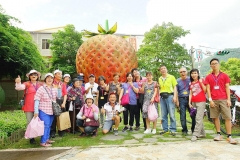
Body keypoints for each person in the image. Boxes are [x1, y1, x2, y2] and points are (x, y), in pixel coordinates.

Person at [205, 58, 237, 144]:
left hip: (224, 99)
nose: (214, 65)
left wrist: (229, 99)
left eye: (216, 63)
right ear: (210, 66)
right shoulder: (208, 77)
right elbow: (208, 89)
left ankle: (229, 136)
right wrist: (210, 100)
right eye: (212, 64)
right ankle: (218, 134)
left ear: (219, 64)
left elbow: (227, 87)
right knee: (215, 117)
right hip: (213, 100)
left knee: (228, 117)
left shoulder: (224, 75)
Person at [15, 69, 42, 144]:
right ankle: (31, 138)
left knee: (39, 122)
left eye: (35, 74)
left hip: (40, 106)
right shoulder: (27, 84)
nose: (34, 76)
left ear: (38, 76)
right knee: (30, 122)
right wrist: (18, 82)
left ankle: (40, 135)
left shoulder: (40, 84)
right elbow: (19, 87)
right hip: (29, 106)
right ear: (29, 76)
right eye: (32, 74)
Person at [33, 73, 57, 147]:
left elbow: (58, 97)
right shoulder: (41, 88)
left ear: (53, 80)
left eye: (51, 78)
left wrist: (58, 89)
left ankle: (47, 139)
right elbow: (36, 100)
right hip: (43, 110)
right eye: (48, 78)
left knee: (49, 125)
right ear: (45, 79)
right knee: (46, 125)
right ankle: (43, 142)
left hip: (52, 110)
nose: (50, 79)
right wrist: (36, 111)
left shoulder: (54, 88)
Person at [158, 65, 177, 136]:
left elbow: (175, 87)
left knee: (172, 114)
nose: (163, 70)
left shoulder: (171, 77)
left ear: (167, 70)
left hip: (170, 96)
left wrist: (175, 96)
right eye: (161, 69)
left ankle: (173, 129)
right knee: (163, 115)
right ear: (160, 71)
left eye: (164, 68)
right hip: (162, 97)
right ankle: (165, 129)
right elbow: (160, 88)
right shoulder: (159, 78)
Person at [176, 67, 196, 135]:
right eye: (181, 72)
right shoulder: (177, 81)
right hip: (181, 99)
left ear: (186, 72)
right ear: (179, 73)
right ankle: (184, 130)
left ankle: (193, 129)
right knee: (182, 116)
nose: (182, 73)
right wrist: (177, 101)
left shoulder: (190, 79)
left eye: (184, 71)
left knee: (193, 115)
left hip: (190, 99)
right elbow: (176, 91)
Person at [189, 69, 207, 141]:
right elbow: (190, 94)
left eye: (195, 73)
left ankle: (195, 134)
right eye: (192, 73)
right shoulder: (191, 83)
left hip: (201, 101)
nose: (194, 75)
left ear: (198, 74)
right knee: (197, 117)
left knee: (198, 118)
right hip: (194, 102)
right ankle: (202, 133)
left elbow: (205, 90)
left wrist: (201, 83)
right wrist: (189, 102)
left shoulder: (201, 81)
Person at [50, 69, 68, 138]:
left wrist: (64, 103)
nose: (60, 75)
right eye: (59, 74)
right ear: (55, 75)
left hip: (61, 100)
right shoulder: (51, 83)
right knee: (53, 117)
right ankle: (53, 132)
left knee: (61, 116)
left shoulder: (62, 84)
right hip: (54, 100)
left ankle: (61, 130)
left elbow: (65, 94)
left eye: (61, 74)